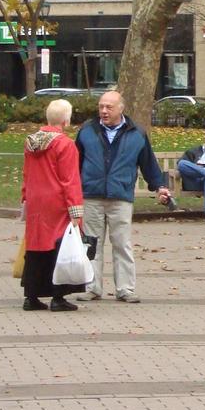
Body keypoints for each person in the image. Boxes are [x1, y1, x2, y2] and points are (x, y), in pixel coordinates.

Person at [76, 90, 173, 302]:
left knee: (122, 244)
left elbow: (148, 163)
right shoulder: (86, 130)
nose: (103, 111)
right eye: (101, 106)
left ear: (121, 108)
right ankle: (92, 287)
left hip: (120, 197)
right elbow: (75, 163)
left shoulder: (137, 133)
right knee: (91, 244)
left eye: (109, 107)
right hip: (91, 195)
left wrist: (159, 187)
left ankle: (125, 289)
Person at [21, 99, 86, 311]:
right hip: (57, 202)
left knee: (35, 246)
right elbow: (70, 180)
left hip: (35, 199)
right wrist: (76, 210)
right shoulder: (65, 144)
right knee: (60, 247)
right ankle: (58, 296)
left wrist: (25, 197)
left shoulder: (30, 142)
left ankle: (31, 295)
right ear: (66, 120)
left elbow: (26, 173)